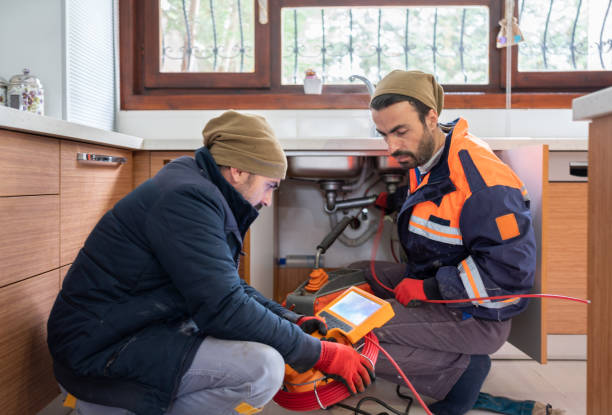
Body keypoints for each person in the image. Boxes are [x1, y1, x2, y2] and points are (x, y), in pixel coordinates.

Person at [47, 110, 373, 415]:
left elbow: (226, 286)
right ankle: (110, 406)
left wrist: (293, 322)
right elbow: (225, 308)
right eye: (269, 185)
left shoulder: (199, 189)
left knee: (261, 351)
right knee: (262, 368)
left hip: (129, 331)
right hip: (98, 349)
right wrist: (321, 354)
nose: (267, 200)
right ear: (239, 170)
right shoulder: (187, 200)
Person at [350, 70, 536, 415]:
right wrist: (394, 203)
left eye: (400, 131)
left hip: (479, 314)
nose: (391, 147)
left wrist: (428, 290)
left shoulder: (483, 183)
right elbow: (441, 210)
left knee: (357, 331)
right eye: (383, 134)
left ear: (431, 117)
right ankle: (441, 357)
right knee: (357, 275)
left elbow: (509, 274)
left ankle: (458, 375)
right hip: (442, 282)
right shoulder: (429, 152)